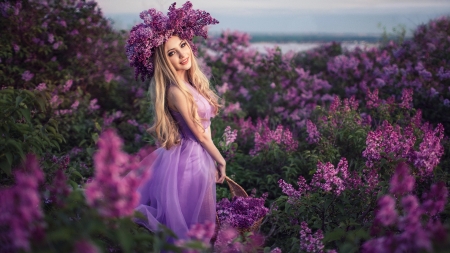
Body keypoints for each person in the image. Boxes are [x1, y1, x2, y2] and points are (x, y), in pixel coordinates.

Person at [125, 1, 225, 243]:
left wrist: (212, 161)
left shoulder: (191, 85)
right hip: (188, 162)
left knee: (200, 223)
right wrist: (220, 158)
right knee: (186, 227)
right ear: (164, 61)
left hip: (200, 158)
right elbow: (199, 135)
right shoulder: (175, 92)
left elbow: (206, 129)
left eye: (183, 45)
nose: (182, 54)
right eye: (172, 53)